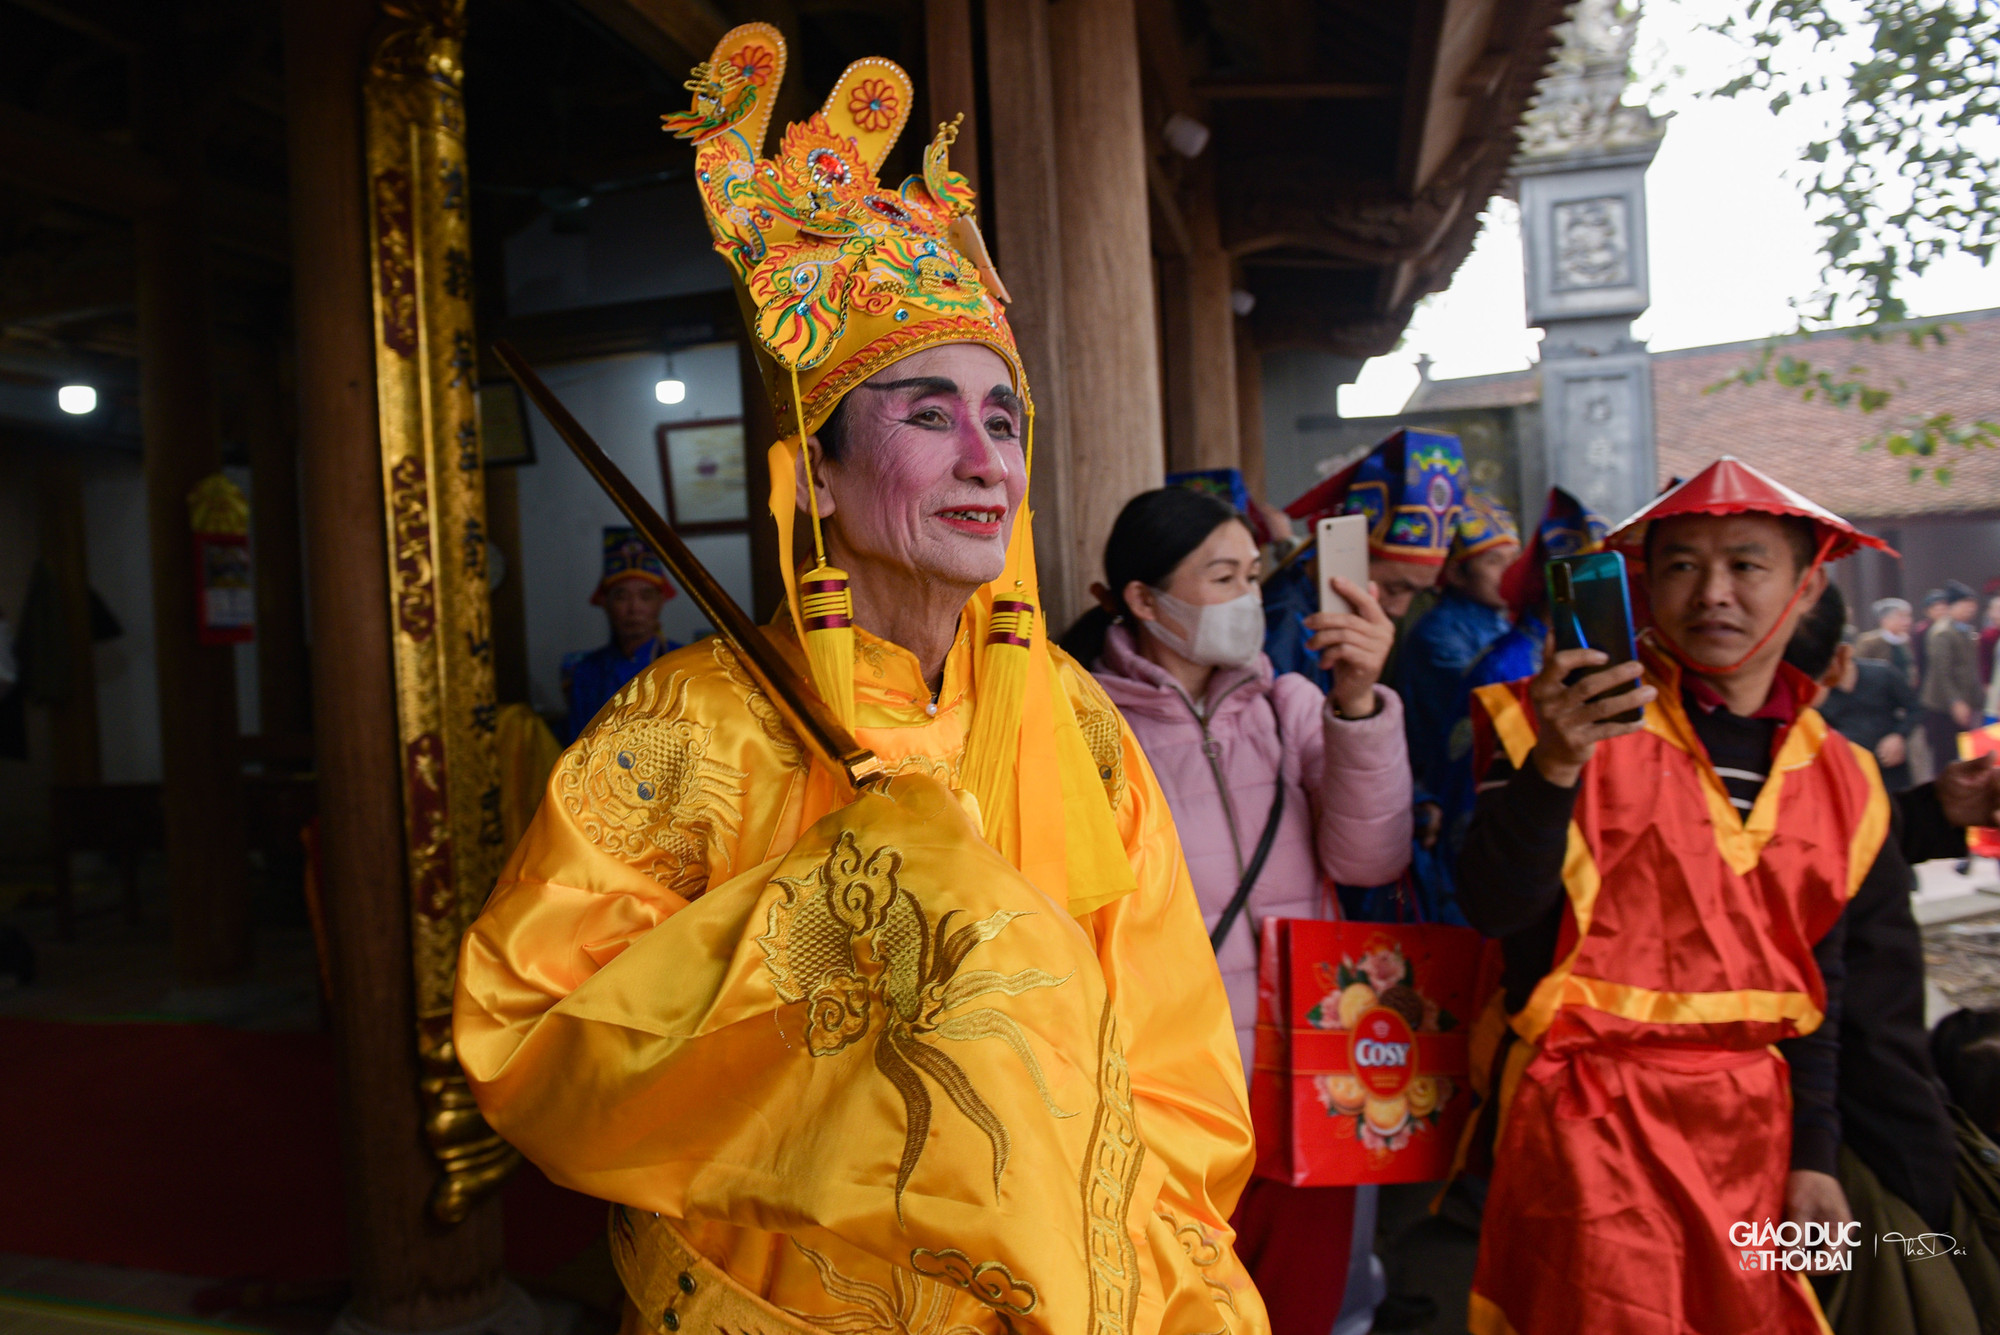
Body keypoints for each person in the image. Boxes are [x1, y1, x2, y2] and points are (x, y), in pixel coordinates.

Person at [454, 31, 1266, 1335]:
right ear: (814, 475)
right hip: (777, 1294)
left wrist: (1129, 1248)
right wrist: (834, 910)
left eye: (1004, 419)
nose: (985, 458)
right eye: (927, 412)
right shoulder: (689, 727)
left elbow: (1166, 1032)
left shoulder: (1075, 719)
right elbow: (529, 1026)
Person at [1454, 456, 2000, 1334]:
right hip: (1586, 1124)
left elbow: (1820, 989)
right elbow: (1494, 908)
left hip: (1757, 1129)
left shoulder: (1845, 776)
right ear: (1643, 583)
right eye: (1681, 565)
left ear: (1808, 583)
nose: (1712, 593)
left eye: (1746, 565)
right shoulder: (1548, 720)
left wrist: (1815, 1158)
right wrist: (1555, 763)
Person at [1072, 486, 1412, 1335]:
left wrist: (1362, 699)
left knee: (1306, 1303)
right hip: (1171, 1090)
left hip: (1312, 1073)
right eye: (1223, 576)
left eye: (1254, 575)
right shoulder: (1084, 727)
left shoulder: (1292, 705)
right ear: (1145, 601)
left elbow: (1370, 856)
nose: (1249, 598)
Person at [1783, 586, 1999, 1331]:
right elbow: (1853, 999)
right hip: (1847, 1140)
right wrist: (1925, 1167)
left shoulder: (1830, 778)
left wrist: (1929, 811)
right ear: (1841, 664)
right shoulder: (1821, 778)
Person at [1394, 484, 1520, 922]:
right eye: (1492, 561)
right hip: (1448, 800)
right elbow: (1490, 703)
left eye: (1513, 558)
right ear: (1456, 574)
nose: (1510, 571)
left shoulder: (1503, 623)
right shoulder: (1438, 635)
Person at [1262, 429, 1468, 690]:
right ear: (1347, 554)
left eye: (1415, 593)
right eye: (1394, 588)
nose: (1399, 610)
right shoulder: (1284, 624)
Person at [560, 527, 679, 742]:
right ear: (605, 603)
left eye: (646, 596)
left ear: (660, 602)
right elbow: (577, 750)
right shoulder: (587, 671)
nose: (634, 608)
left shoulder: (682, 663)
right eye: (622, 597)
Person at [1807, 591, 1921, 792]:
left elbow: (1915, 708)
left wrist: (1899, 736)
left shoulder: (1883, 673)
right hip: (1845, 772)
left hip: (1889, 766)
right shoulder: (1818, 690)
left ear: (1848, 652)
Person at [1920, 579, 1980, 780]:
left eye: (1972, 604)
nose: (1971, 608)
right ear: (1952, 606)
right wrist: (1956, 702)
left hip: (1964, 702)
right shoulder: (1943, 632)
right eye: (1965, 604)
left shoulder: (1965, 630)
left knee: (1963, 753)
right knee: (1944, 757)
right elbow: (1941, 672)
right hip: (1942, 705)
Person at [1854, 595, 1916, 686]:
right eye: (1901, 617)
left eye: (1908, 616)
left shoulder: (1906, 641)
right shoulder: (1869, 642)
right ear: (1885, 620)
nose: (1907, 621)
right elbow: (1859, 670)